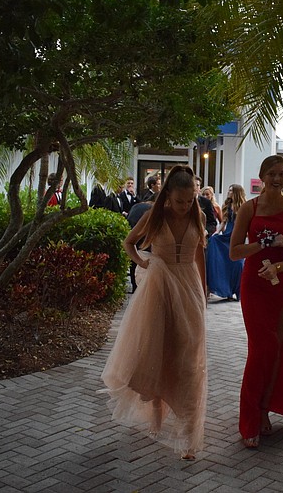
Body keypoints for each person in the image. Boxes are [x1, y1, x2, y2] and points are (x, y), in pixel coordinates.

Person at [100, 165, 208, 461]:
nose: (185, 206)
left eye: (189, 201)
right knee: (158, 350)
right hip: (159, 290)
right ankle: (157, 411)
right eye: (179, 201)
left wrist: (205, 291)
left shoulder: (197, 217)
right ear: (167, 196)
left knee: (188, 358)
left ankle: (188, 433)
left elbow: (200, 254)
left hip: (188, 289)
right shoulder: (153, 216)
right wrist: (145, 264)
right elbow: (129, 243)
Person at [229, 155, 283, 449]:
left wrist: (278, 267)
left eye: (282, 174)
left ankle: (264, 412)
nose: (277, 178)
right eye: (272, 173)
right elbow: (235, 252)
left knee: (278, 350)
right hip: (254, 287)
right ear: (262, 175)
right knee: (261, 350)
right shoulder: (249, 208)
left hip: (282, 286)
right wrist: (264, 244)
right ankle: (249, 417)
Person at [206, 184, 246, 300]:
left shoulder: (244, 207)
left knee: (238, 264)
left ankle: (237, 291)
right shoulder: (227, 205)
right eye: (228, 190)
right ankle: (226, 290)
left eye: (231, 190)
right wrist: (216, 233)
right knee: (226, 261)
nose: (228, 192)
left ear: (236, 193)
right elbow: (224, 222)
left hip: (238, 236)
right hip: (227, 235)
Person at [125, 200, 153, 292]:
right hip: (148, 247)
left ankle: (134, 287)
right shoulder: (152, 213)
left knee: (133, 266)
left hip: (139, 245)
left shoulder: (135, 207)